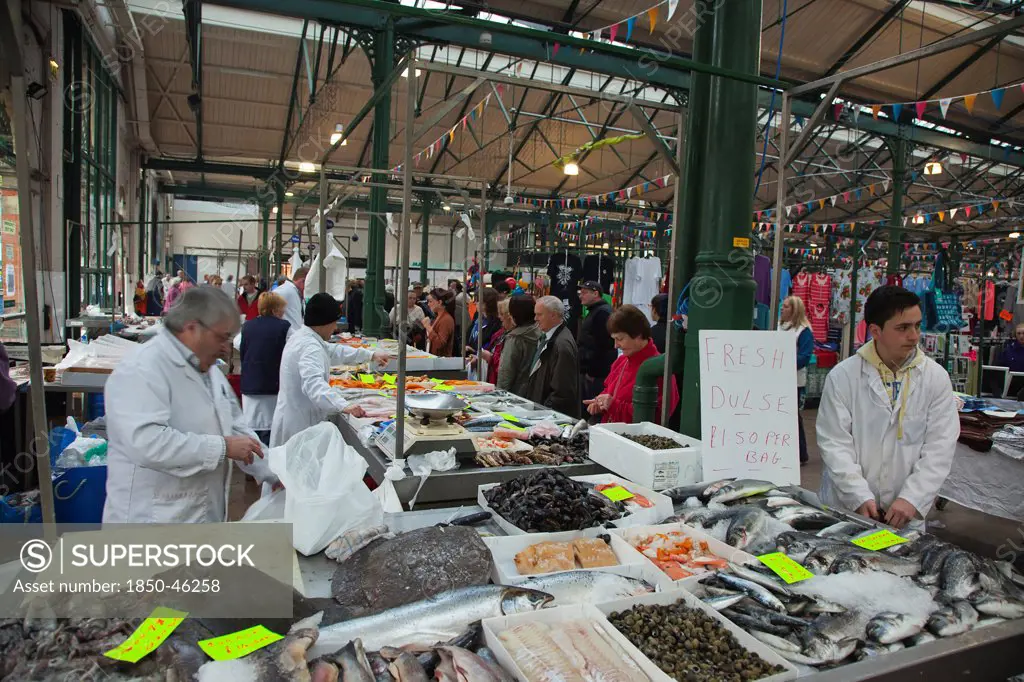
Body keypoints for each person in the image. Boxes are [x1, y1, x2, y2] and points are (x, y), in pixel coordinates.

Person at [103, 288, 276, 523]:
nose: (227, 347)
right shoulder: (143, 369)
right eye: (222, 337)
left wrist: (273, 473)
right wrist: (222, 448)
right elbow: (146, 443)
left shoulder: (209, 372)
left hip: (197, 518)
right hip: (151, 524)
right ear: (192, 327)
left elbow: (236, 429)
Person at [816, 286, 960, 530]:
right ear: (875, 331)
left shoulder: (935, 378)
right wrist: (858, 495)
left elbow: (940, 445)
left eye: (917, 325)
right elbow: (834, 442)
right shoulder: (843, 377)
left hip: (904, 514)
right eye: (903, 328)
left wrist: (912, 498)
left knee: (900, 564)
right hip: (847, 508)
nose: (914, 336)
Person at [271, 293, 389, 447]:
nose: (335, 328)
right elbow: (314, 385)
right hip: (300, 426)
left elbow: (334, 351)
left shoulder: (305, 338)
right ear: (323, 322)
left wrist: (370, 355)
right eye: (334, 323)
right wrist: (343, 405)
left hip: (297, 420)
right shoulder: (309, 347)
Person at [584, 305, 679, 424]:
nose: (616, 345)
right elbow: (609, 391)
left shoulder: (660, 369)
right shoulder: (621, 361)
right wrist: (599, 402)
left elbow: (655, 417)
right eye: (614, 339)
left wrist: (613, 405)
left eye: (620, 339)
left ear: (638, 335)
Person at [240, 292, 292, 445]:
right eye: (282, 310)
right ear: (275, 310)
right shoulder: (284, 327)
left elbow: (241, 347)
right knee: (271, 432)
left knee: (254, 431)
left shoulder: (247, 326)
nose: (283, 314)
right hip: (272, 386)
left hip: (249, 386)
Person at [524, 296, 580, 418]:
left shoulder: (562, 345)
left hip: (551, 418)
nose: (535, 319)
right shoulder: (549, 338)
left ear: (553, 315)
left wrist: (544, 415)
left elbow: (563, 391)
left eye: (539, 315)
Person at [781, 296, 815, 465]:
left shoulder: (803, 331)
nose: (782, 309)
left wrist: (784, 365)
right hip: (779, 378)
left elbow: (805, 356)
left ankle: (801, 453)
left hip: (794, 380)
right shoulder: (781, 327)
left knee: (793, 417)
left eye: (786, 307)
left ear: (794, 310)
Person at [577, 281, 616, 407]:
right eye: (580, 293)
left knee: (593, 407)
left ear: (595, 293)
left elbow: (603, 345)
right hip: (592, 371)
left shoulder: (602, 313)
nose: (581, 296)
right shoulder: (596, 311)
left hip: (597, 374)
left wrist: (592, 372)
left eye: (584, 293)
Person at [497, 295, 542, 395]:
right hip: (536, 392)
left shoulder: (515, 338)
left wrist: (500, 395)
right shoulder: (541, 332)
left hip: (515, 394)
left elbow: (506, 372)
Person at [468, 287, 501, 357]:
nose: (474, 303)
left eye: (477, 300)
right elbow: (469, 333)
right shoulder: (477, 315)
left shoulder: (497, 322)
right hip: (470, 357)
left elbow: (490, 345)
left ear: (486, 303)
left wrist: (474, 351)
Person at [423, 288, 456, 357]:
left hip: (441, 362)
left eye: (430, 301)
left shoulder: (446, 319)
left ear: (439, 302)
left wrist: (428, 327)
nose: (428, 304)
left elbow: (440, 344)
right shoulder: (437, 316)